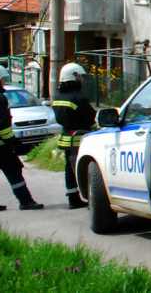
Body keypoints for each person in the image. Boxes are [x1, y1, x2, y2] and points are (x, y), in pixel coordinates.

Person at [0, 64, 44, 212]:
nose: (4, 82)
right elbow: (2, 126)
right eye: (4, 79)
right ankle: (25, 201)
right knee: (14, 171)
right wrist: (13, 141)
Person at [52, 63, 97, 209]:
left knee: (69, 170)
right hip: (81, 140)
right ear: (75, 77)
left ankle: (72, 198)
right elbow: (91, 119)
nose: (82, 81)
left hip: (66, 139)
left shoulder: (58, 97)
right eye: (81, 77)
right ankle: (90, 197)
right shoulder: (78, 98)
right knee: (85, 170)